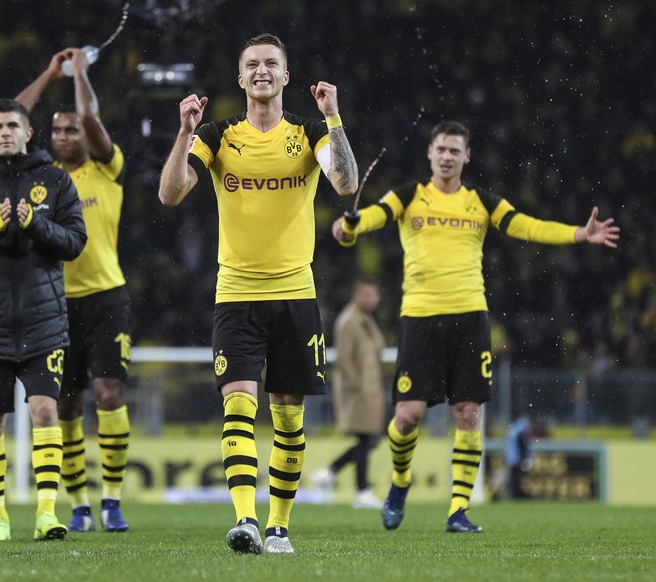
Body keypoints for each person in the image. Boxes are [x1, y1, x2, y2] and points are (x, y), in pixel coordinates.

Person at [332, 120, 620, 533]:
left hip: (470, 315)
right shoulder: (410, 196)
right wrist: (350, 227)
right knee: (407, 417)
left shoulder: (481, 202)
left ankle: (458, 510)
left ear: (466, 157)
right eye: (441, 149)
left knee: (468, 413)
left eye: (455, 150)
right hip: (420, 317)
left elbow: (528, 225)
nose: (447, 156)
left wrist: (580, 233)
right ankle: (399, 483)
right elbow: (373, 217)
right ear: (430, 154)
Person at [158, 33, 359, 554]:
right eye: (253, 64)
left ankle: (278, 527)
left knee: (289, 417)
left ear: (286, 77)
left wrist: (334, 116)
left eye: (272, 63)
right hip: (237, 294)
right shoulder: (218, 133)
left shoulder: (309, 132)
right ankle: (246, 521)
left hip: (295, 292)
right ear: (240, 77)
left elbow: (344, 183)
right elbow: (171, 193)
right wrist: (183, 134)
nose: (263, 70)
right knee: (239, 407)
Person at [0, 98, 87, 542]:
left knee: (45, 411)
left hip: (43, 323)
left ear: (28, 133)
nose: (5, 132)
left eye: (13, 125)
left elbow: (75, 241)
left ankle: (46, 513)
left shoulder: (56, 180)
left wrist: (35, 225)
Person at [16, 47, 133, 533]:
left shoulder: (106, 166)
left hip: (107, 298)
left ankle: (112, 499)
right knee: (66, 407)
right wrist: (48, 73)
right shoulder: (39, 178)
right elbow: (12, 118)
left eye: (72, 129)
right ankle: (79, 503)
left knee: (109, 395)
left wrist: (80, 75)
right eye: (58, 130)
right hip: (54, 302)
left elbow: (90, 115)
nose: (66, 134)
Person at [311, 277, 386, 509]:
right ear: (356, 295)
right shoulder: (349, 321)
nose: (373, 299)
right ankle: (361, 490)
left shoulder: (364, 319)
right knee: (366, 439)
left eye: (375, 294)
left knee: (369, 440)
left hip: (370, 389)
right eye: (367, 294)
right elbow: (343, 358)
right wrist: (358, 386)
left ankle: (330, 472)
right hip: (359, 391)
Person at [505, 409, 533, 499]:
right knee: (515, 478)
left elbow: (523, 443)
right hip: (513, 458)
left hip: (517, 458)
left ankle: (517, 494)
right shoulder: (516, 428)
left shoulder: (518, 428)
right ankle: (516, 494)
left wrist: (524, 457)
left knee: (516, 478)